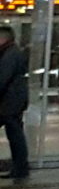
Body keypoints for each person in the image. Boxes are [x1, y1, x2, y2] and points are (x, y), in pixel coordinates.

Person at [1, 23, 30, 179]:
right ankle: (20, 168)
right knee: (15, 134)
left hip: (9, 102)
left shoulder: (10, 54)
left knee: (15, 135)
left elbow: (2, 77)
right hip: (13, 101)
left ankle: (20, 168)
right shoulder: (12, 52)